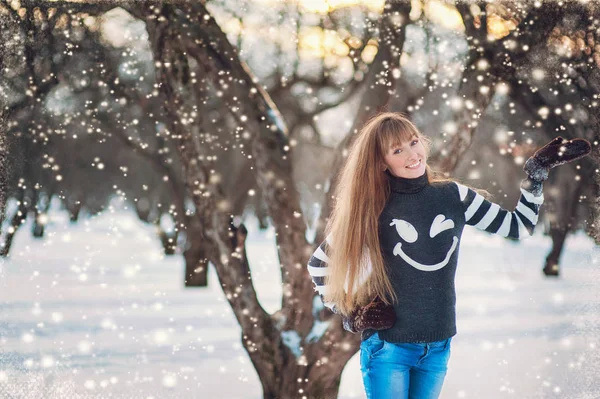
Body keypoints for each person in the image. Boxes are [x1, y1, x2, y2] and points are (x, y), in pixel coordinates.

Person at [306, 112, 591, 399]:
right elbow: (319, 265)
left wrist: (536, 173)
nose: (412, 154)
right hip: (388, 348)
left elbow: (518, 226)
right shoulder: (373, 208)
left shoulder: (454, 196)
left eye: (413, 142)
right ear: (381, 162)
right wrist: (352, 315)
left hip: (438, 346)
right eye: (397, 150)